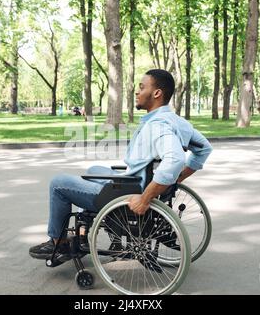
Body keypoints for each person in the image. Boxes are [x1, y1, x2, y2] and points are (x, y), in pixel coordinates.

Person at [29, 69, 213, 260]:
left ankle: (57, 242)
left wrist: (145, 198)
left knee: (58, 183)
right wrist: (175, 179)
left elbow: (175, 160)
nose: (137, 92)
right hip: (133, 180)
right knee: (94, 170)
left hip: (131, 192)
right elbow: (204, 148)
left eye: (142, 87)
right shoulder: (176, 121)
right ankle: (86, 234)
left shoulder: (157, 126)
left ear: (157, 93)